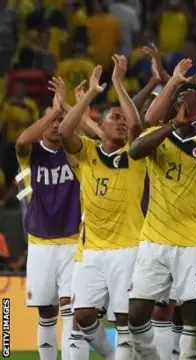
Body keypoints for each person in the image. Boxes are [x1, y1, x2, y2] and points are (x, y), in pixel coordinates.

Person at [127, 56, 196, 360]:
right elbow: (135, 151)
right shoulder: (159, 138)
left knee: (193, 315)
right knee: (136, 314)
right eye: (187, 101)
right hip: (154, 240)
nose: (193, 105)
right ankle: (151, 357)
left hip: (192, 242)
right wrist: (173, 124)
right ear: (174, 108)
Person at [59, 57, 146, 360]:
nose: (122, 122)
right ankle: (110, 355)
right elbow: (64, 132)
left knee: (124, 320)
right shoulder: (88, 153)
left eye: (124, 119)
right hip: (91, 250)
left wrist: (119, 84)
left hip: (127, 246)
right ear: (101, 126)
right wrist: (91, 94)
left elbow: (137, 125)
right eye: (115, 118)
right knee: (82, 315)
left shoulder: (135, 154)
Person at [17, 78, 80, 360]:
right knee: (46, 311)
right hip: (40, 241)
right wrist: (55, 111)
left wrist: (67, 108)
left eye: (61, 121)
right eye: (52, 121)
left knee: (70, 308)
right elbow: (20, 141)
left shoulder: (77, 151)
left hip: (72, 241)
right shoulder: (31, 155)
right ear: (43, 124)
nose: (56, 125)